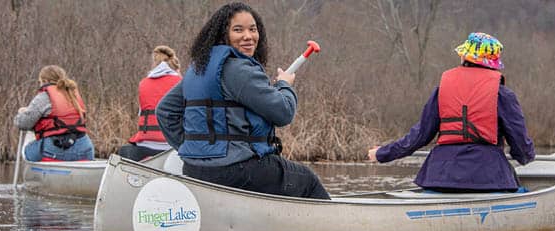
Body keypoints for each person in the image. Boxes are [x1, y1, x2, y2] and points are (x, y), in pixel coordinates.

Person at [156, 2, 330, 199]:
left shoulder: (198, 69)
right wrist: (284, 85)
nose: (248, 36)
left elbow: (164, 111)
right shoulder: (239, 70)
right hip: (237, 170)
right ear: (223, 34)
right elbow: (283, 113)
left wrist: (195, 150)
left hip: (194, 168)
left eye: (253, 29)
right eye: (238, 30)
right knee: (307, 181)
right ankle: (335, 227)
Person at [367, 32, 535, 193]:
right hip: (489, 177)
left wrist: (382, 154)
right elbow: (520, 143)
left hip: (440, 176)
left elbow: (418, 137)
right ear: (494, 64)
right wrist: (524, 157)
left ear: (464, 57)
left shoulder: (443, 90)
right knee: (518, 186)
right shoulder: (503, 94)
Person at [14, 65, 95, 161]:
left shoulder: (44, 97)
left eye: (40, 82)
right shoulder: (74, 95)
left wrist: (22, 113)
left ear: (44, 81)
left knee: (28, 143)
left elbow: (23, 123)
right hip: (85, 150)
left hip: (55, 151)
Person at [118, 46, 182, 161]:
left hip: (146, 145)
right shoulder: (180, 82)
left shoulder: (143, 83)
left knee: (124, 149)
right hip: (172, 146)